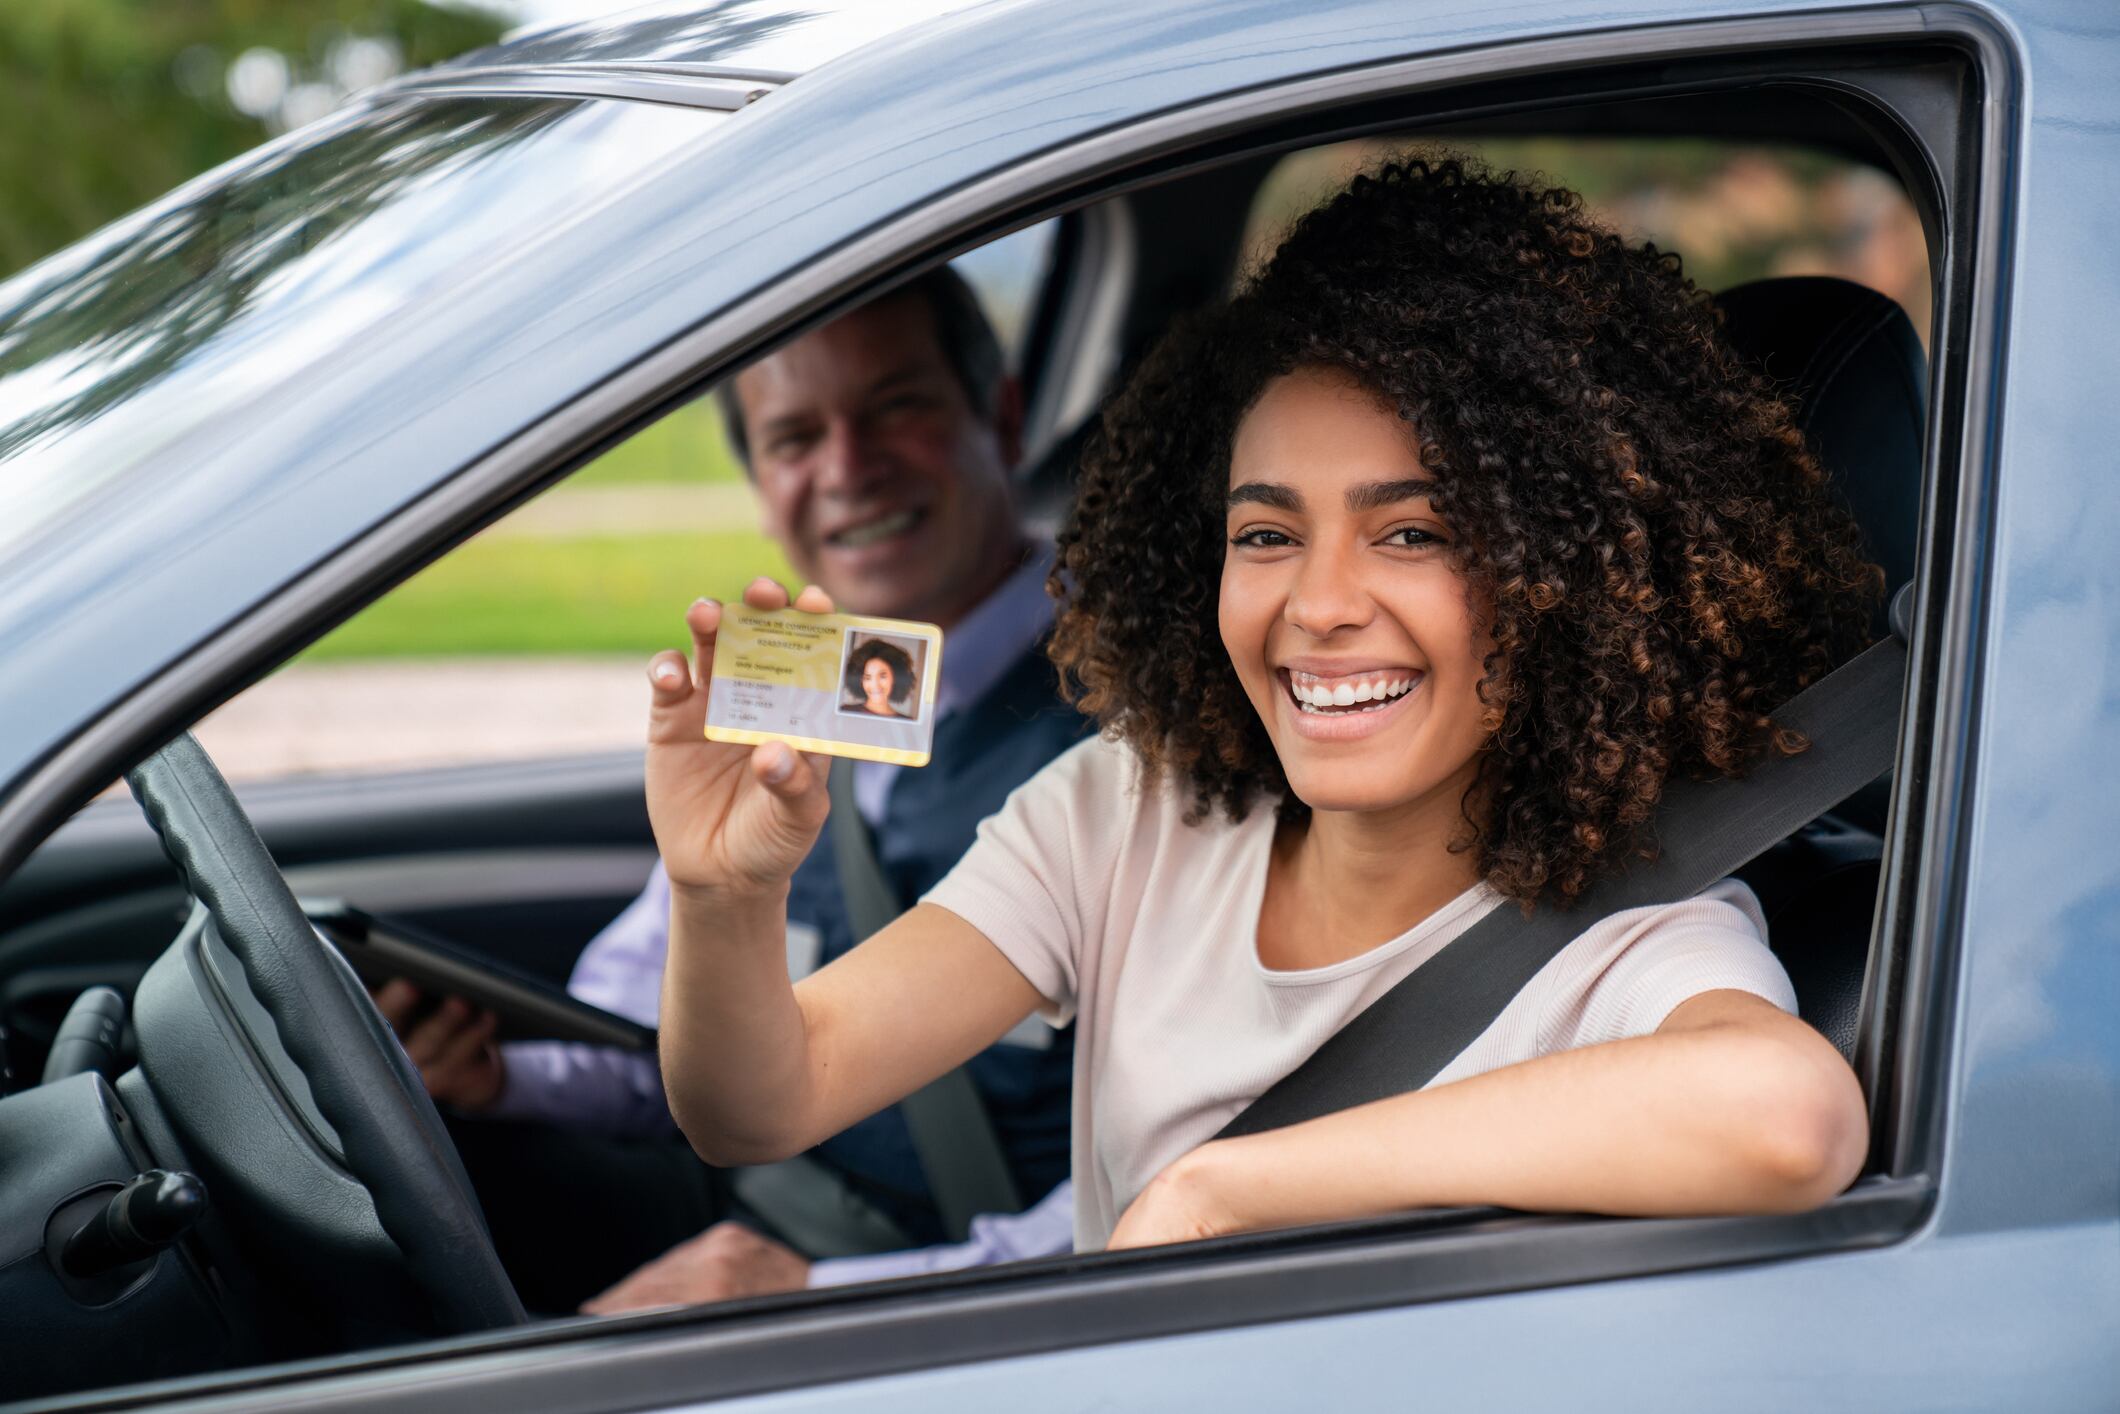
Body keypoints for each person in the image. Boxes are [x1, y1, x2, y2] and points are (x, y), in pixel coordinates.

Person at [641, 158, 1881, 1256]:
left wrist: (1228, 1190)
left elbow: (1788, 1116)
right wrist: (722, 896)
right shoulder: (1124, 815)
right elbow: (761, 1099)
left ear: (1566, 576)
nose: (1319, 602)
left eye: (1412, 532)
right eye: (1267, 531)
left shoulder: (1624, 936)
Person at [377, 266, 1091, 1310]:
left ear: (1003, 415)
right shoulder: (796, 674)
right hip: (758, 1202)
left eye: (897, 407)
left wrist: (821, 1294)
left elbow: (1150, 1188)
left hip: (959, 1305)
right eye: (795, 439)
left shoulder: (1133, 710)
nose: (849, 468)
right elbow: (640, 1027)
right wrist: (498, 1073)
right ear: (760, 479)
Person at [843, 638, 917, 719]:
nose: (875, 685)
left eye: (882, 676)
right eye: (867, 678)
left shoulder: (907, 722)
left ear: (895, 678)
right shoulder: (846, 711)